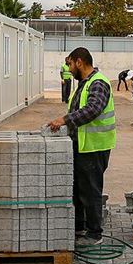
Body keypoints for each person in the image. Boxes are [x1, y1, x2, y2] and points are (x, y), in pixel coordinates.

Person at [47, 47, 116, 246]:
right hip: (82, 145)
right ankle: (80, 226)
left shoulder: (98, 83)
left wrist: (65, 120)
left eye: (69, 64)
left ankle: (95, 234)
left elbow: (93, 109)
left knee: (91, 189)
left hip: (94, 147)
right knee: (78, 188)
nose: (68, 69)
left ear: (79, 62)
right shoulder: (84, 84)